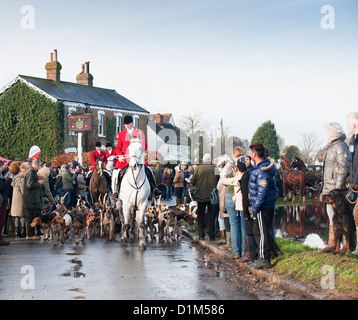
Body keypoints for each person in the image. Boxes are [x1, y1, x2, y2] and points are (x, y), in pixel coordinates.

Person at [319, 122, 351, 253]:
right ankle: (333, 242)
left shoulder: (340, 147)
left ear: (332, 133)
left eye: (327, 132)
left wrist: (337, 191)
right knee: (331, 215)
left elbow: (343, 168)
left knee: (341, 216)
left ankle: (346, 244)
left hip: (335, 189)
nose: (326, 134)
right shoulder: (331, 147)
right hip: (329, 187)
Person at [112, 115, 161, 198]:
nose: (127, 126)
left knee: (149, 171)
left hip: (138, 158)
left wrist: (140, 150)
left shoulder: (139, 133)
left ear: (132, 123)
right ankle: (116, 191)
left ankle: (154, 189)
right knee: (117, 173)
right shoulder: (121, 134)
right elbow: (118, 147)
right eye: (125, 124)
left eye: (129, 124)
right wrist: (120, 155)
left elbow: (144, 144)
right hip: (125, 159)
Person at [248, 142, 278, 269]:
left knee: (262, 231)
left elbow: (262, 191)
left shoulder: (262, 171)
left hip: (262, 205)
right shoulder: (262, 167)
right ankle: (268, 253)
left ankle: (264, 258)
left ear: (254, 154)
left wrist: (256, 207)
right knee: (261, 230)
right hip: (267, 204)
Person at [190, 153, 219, 241]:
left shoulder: (198, 168)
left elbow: (192, 181)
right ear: (210, 160)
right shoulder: (215, 168)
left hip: (200, 195)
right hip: (212, 196)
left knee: (201, 216)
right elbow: (219, 180)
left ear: (203, 160)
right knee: (211, 216)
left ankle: (201, 234)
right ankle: (211, 235)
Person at [346, 112, 358, 257]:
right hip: (355, 183)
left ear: (354, 124)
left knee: (356, 213)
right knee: (356, 213)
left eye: (348, 124)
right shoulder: (354, 141)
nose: (347, 126)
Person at [23, 159, 42, 239]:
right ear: (36, 165)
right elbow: (29, 185)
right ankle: (30, 234)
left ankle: (31, 233)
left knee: (31, 216)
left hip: (32, 198)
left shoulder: (31, 172)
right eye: (39, 166)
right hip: (30, 198)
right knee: (30, 217)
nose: (39, 168)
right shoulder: (30, 173)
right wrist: (39, 183)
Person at [10, 162, 27, 239]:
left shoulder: (15, 178)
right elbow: (23, 190)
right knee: (22, 214)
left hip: (15, 199)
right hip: (21, 199)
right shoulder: (21, 179)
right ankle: (23, 231)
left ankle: (17, 231)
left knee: (16, 215)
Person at [0, 161, 9, 245]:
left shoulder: (1, 176)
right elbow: (2, 188)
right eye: (2, 167)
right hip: (1, 200)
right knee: (1, 220)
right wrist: (9, 180)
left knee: (2, 220)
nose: (3, 168)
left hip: (3, 199)